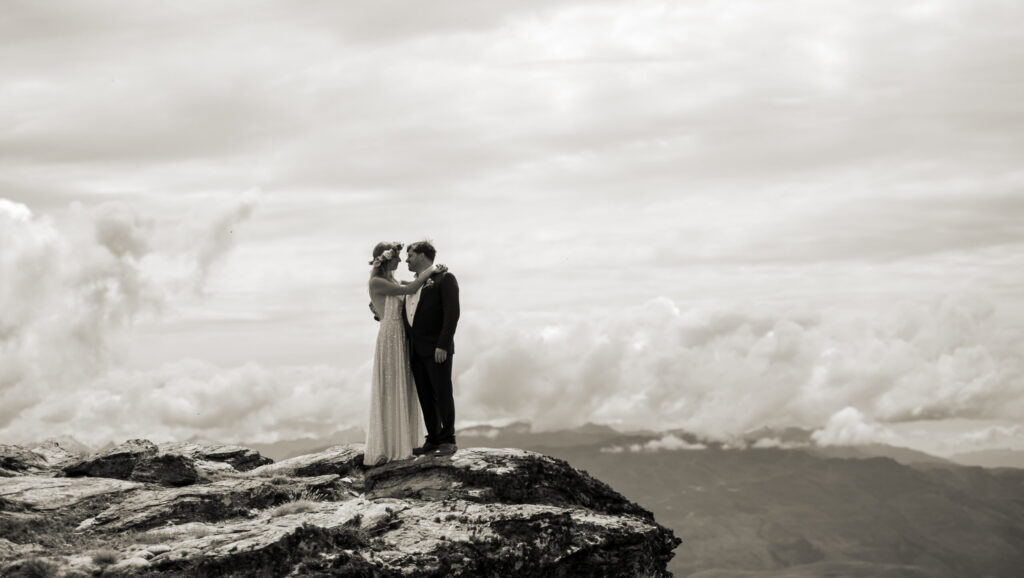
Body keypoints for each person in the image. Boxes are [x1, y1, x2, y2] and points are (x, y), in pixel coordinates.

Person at [363, 241, 446, 467]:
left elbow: (415, 287)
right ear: (387, 259)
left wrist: (433, 278)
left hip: (402, 337)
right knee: (391, 386)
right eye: (397, 258)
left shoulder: (391, 281)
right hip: (390, 337)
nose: (400, 261)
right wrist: (432, 270)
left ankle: (403, 441)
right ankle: (390, 445)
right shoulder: (377, 282)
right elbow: (410, 289)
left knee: (403, 385)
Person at [403, 240, 460, 457]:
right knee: (425, 396)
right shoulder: (411, 285)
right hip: (416, 352)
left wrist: (443, 345)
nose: (406, 260)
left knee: (442, 392)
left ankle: (448, 439)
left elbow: (452, 314)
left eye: (410, 255)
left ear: (422, 255)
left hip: (437, 349)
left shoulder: (445, 279)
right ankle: (433, 438)